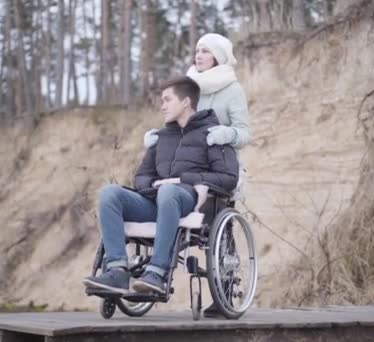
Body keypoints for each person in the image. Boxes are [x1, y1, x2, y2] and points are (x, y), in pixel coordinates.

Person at [82, 76, 239, 295]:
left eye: (167, 100)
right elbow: (141, 177)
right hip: (155, 199)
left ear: (186, 102)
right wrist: (154, 184)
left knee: (169, 192)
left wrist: (182, 180)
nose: (162, 106)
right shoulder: (161, 137)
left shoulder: (212, 134)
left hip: (190, 201)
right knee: (110, 193)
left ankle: (156, 272)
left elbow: (229, 177)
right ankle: (117, 270)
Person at [144, 34, 251, 317]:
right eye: (196, 50)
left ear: (217, 55)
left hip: (217, 163)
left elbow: (244, 131)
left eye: (205, 51)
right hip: (183, 170)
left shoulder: (232, 89)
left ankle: (224, 293)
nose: (198, 55)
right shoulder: (189, 86)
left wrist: (225, 133)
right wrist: (158, 137)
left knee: (220, 229)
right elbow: (178, 123)